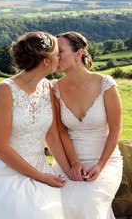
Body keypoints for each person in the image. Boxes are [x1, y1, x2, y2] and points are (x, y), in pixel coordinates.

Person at [0, 31, 71, 219]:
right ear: (45, 61)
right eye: (57, 53)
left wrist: (69, 170)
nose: (60, 57)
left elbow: (52, 135)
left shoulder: (47, 87)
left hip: (39, 163)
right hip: (4, 168)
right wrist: (41, 177)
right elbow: (0, 147)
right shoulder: (5, 90)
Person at [52, 31, 123, 219]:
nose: (56, 57)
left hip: (105, 161)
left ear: (79, 53)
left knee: (91, 201)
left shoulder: (105, 84)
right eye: (53, 53)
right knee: (58, 202)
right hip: (69, 162)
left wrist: (100, 165)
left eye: (60, 52)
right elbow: (60, 130)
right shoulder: (55, 88)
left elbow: (115, 130)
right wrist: (73, 164)